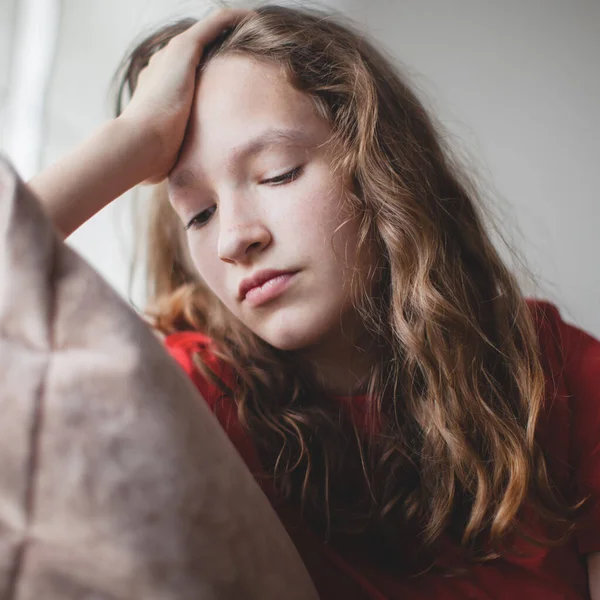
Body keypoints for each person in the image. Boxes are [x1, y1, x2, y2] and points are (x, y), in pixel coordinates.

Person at [27, 5, 599, 599]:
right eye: (198, 214)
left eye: (277, 174)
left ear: (380, 167)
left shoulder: (553, 371)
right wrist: (131, 139)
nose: (233, 238)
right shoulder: (192, 399)